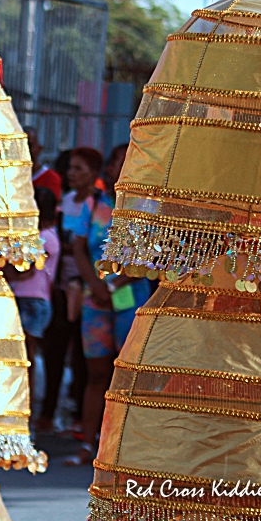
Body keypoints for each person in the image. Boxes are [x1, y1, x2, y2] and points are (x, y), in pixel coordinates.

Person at [64, 144, 150, 466]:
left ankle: (123, 448)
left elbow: (147, 256)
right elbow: (78, 247)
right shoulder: (94, 204)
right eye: (118, 162)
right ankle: (88, 444)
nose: (122, 168)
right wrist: (96, 285)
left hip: (130, 299)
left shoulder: (145, 208)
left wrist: (113, 284)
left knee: (128, 375)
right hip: (96, 301)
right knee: (95, 373)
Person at [37, 147, 102, 434]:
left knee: (83, 354)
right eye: (71, 168)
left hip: (88, 288)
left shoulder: (98, 205)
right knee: (55, 347)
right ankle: (48, 413)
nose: (72, 174)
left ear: (93, 172)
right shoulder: (64, 203)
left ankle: (78, 413)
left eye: (79, 168)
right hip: (61, 286)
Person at [6, 187, 60, 417]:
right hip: (35, 299)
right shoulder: (52, 236)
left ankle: (24, 409)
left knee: (23, 359)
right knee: (26, 357)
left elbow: (25, 270)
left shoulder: (42, 238)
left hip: (30, 300)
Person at [24, 126, 62, 201]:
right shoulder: (6, 176)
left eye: (29, 145)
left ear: (39, 149)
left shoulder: (51, 178)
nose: (24, 151)